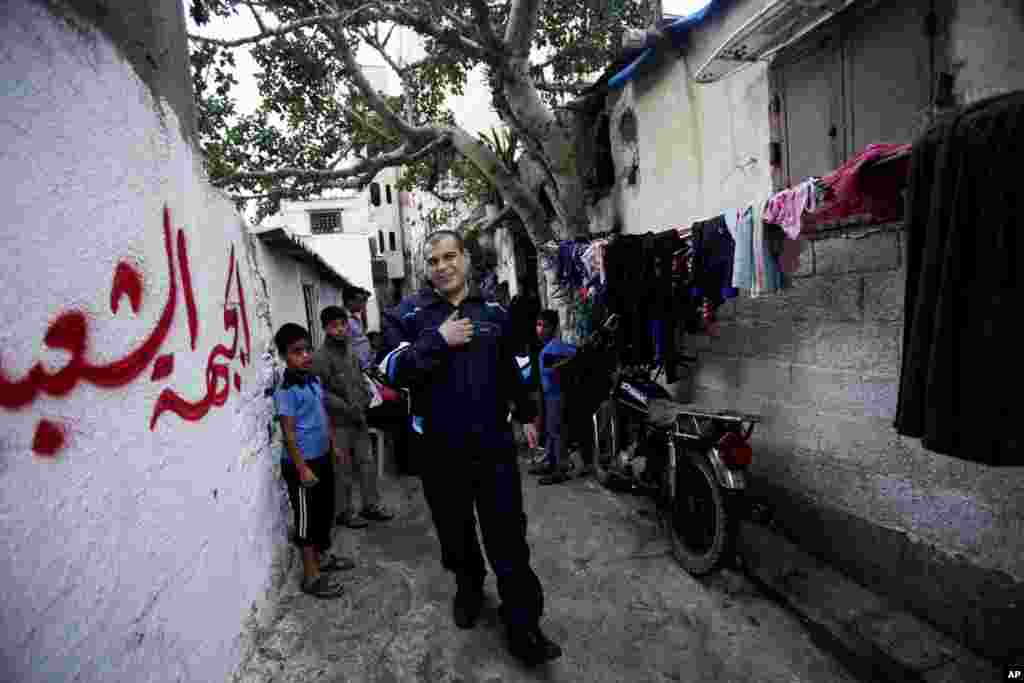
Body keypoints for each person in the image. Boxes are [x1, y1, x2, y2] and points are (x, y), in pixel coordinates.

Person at [378, 230, 562, 666]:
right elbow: (388, 371)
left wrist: (526, 416)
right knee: (454, 531)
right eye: (434, 260)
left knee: (508, 537)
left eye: (449, 257)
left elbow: (515, 370)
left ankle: (525, 627)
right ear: (426, 267)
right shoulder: (406, 316)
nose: (442, 266)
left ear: (466, 259)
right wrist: (437, 339)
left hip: (493, 446)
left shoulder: (496, 313)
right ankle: (469, 587)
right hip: (438, 449)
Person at [272, 323, 356, 599]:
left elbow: (323, 416)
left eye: (307, 349)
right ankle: (311, 576)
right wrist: (302, 468)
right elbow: (288, 434)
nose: (305, 356)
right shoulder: (286, 391)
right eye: (297, 352)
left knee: (323, 512)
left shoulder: (314, 382)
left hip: (321, 458)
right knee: (307, 521)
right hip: (302, 466)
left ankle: (322, 557)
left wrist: (333, 445)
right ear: (285, 356)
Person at [312, 306, 393, 529]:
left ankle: (371, 506)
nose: (339, 330)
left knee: (366, 464)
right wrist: (346, 407)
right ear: (325, 328)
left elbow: (360, 379)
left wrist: (366, 398)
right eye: (334, 326)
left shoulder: (350, 351)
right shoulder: (320, 358)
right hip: (338, 423)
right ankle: (345, 512)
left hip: (359, 418)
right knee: (343, 469)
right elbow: (322, 393)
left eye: (342, 325)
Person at [530, 310, 579, 485]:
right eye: (538, 325)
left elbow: (576, 353)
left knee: (556, 433)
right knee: (551, 431)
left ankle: (560, 469)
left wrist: (561, 366)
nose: (540, 329)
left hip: (557, 396)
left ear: (553, 328)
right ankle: (551, 464)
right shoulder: (547, 348)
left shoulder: (557, 346)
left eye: (544, 325)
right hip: (549, 396)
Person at [343, 287, 374, 371]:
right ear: (350, 301)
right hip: (356, 368)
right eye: (359, 301)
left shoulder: (355, 318)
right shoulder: (343, 321)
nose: (362, 304)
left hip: (365, 366)